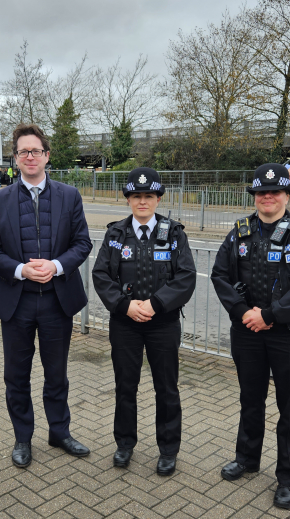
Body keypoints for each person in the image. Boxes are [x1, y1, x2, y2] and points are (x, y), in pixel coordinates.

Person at [211, 163, 290, 510]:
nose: (268, 197)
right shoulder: (239, 233)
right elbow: (220, 275)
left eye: (275, 192)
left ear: (287, 195)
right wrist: (244, 312)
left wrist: (269, 315)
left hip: (288, 334)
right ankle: (247, 459)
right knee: (250, 400)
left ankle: (289, 479)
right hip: (248, 332)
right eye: (262, 192)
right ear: (255, 197)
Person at [0, 124, 93, 468]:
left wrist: (57, 265)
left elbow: (82, 243)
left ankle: (59, 432)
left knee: (56, 373)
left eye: (36, 151)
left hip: (58, 301)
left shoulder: (69, 195)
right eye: (23, 151)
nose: (30, 157)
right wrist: (20, 269)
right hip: (18, 301)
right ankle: (22, 438)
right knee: (16, 375)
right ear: (15, 159)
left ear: (47, 156)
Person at [92, 168, 196, 476]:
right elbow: (101, 276)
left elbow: (185, 277)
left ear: (158, 198)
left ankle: (168, 450)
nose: (142, 201)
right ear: (127, 199)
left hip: (162, 324)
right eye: (136, 196)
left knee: (166, 388)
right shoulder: (115, 234)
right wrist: (126, 306)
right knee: (126, 386)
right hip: (125, 324)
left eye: (148, 196)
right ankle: (124, 444)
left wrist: (154, 304)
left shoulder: (174, 232)